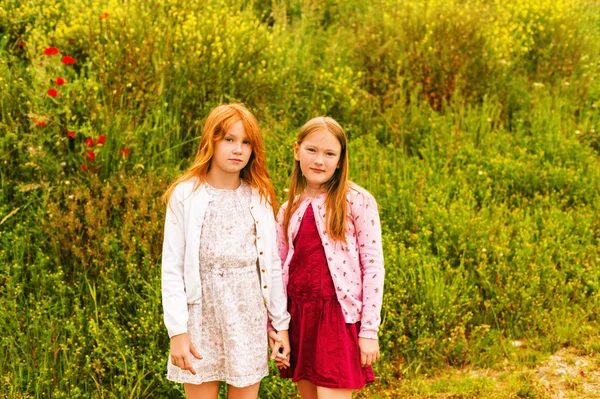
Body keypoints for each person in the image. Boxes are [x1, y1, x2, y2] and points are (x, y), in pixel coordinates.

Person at [161, 103, 291, 399]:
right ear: (211, 141)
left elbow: (271, 265)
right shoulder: (186, 194)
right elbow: (172, 269)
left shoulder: (258, 195)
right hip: (200, 317)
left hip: (247, 313)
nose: (238, 149)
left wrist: (280, 324)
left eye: (246, 142)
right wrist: (177, 332)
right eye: (229, 140)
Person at [276, 116, 385, 399]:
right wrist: (278, 328)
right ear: (297, 150)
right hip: (300, 318)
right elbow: (277, 270)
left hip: (338, 318)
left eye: (329, 154)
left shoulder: (357, 200)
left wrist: (369, 331)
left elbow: (373, 266)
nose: (319, 161)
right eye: (312, 150)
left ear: (340, 160)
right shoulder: (288, 208)